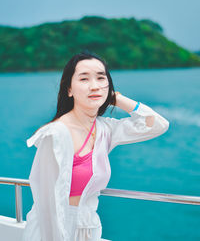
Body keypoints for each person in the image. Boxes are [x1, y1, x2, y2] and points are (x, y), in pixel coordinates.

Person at [22, 50, 169, 241]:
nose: (94, 86)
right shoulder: (56, 134)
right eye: (84, 79)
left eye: (101, 78)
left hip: (89, 228)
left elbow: (158, 125)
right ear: (69, 89)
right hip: (53, 230)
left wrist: (116, 98)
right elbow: (47, 204)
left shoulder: (104, 128)